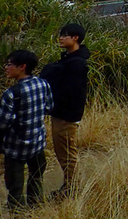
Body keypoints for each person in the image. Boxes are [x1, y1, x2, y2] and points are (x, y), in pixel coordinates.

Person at [0, 50, 53, 212]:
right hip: (37, 143)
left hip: (15, 147)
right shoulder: (43, 84)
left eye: (9, 64)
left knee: (15, 186)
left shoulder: (11, 94)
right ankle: (36, 209)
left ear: (22, 67)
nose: (6, 68)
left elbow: (2, 123)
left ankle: (18, 213)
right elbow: (49, 108)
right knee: (36, 177)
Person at [39, 23, 90, 198]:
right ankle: (71, 187)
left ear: (75, 38)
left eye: (65, 35)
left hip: (66, 116)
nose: (61, 38)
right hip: (63, 114)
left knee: (67, 154)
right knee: (65, 152)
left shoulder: (76, 63)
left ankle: (72, 189)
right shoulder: (71, 60)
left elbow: (73, 92)